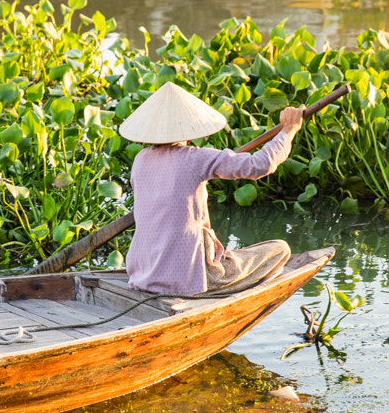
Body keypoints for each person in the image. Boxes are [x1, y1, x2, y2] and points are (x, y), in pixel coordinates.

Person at [119, 81, 304, 295]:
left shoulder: (140, 160)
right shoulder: (196, 158)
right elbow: (259, 165)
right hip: (188, 277)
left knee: (238, 255)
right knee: (280, 249)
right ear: (188, 130)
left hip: (143, 275)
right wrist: (289, 129)